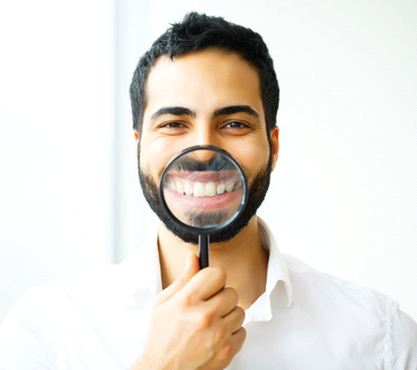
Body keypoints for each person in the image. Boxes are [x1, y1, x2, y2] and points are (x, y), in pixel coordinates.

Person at [1, 12, 416, 370]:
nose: (204, 152)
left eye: (234, 124)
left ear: (273, 146)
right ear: (138, 147)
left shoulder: (380, 336)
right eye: (173, 124)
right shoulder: (49, 331)